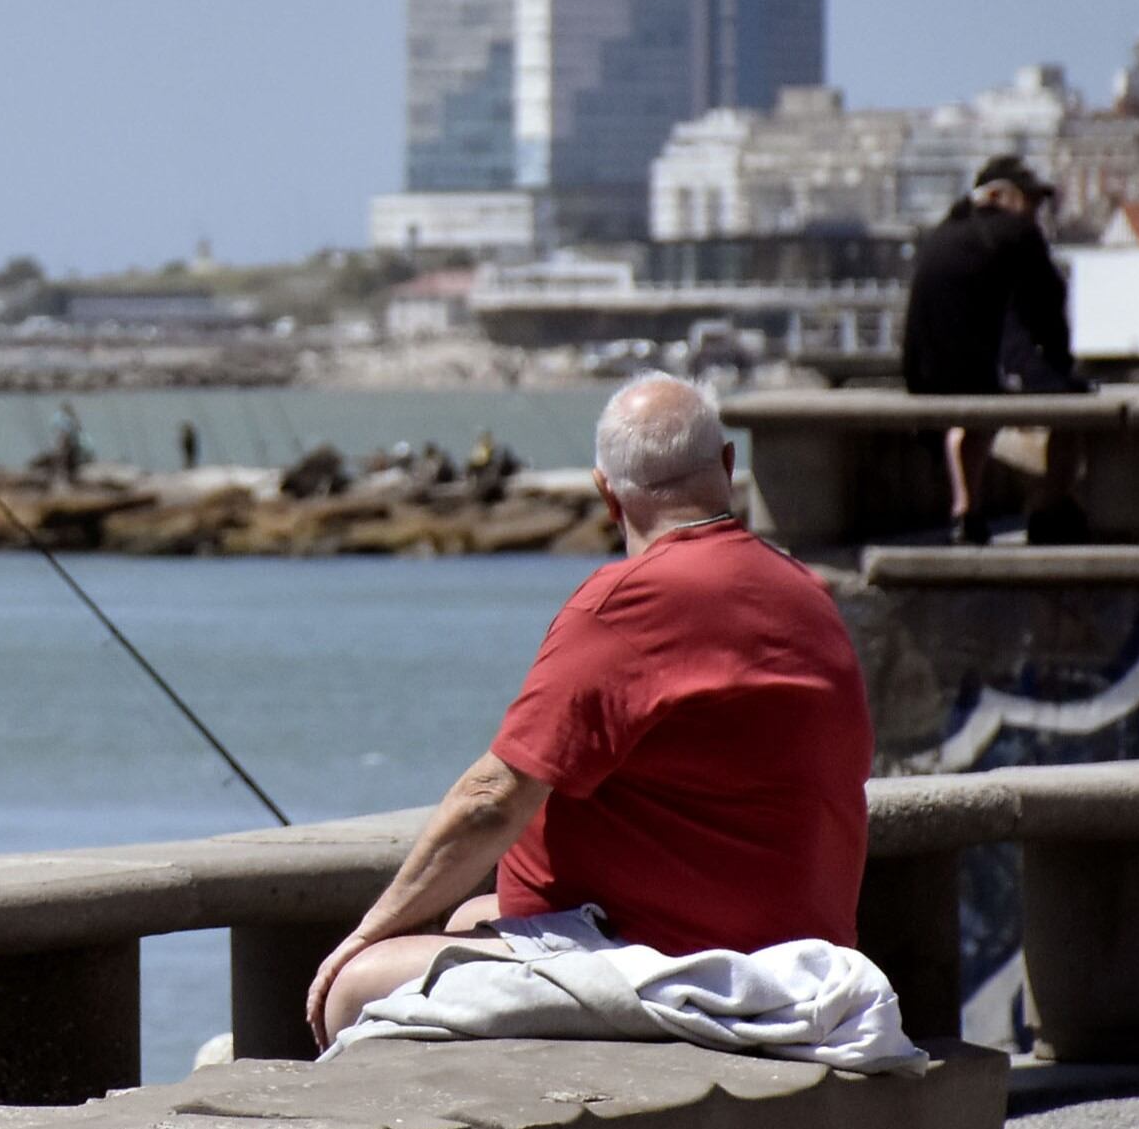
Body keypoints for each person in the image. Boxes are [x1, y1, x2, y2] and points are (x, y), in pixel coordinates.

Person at [304, 374, 873, 1050]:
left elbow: (492, 799)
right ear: (726, 466)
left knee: (357, 987)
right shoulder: (806, 595)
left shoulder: (629, 604)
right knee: (464, 921)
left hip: (678, 963)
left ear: (608, 495)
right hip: (791, 947)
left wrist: (368, 933)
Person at [901, 154, 1089, 544]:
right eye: (1030, 201)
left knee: (974, 414)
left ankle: (965, 511)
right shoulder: (1016, 233)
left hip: (925, 377)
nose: (1035, 212)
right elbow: (1047, 306)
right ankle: (1049, 504)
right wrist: (1061, 370)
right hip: (975, 374)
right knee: (1072, 410)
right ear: (1002, 196)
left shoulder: (943, 233)